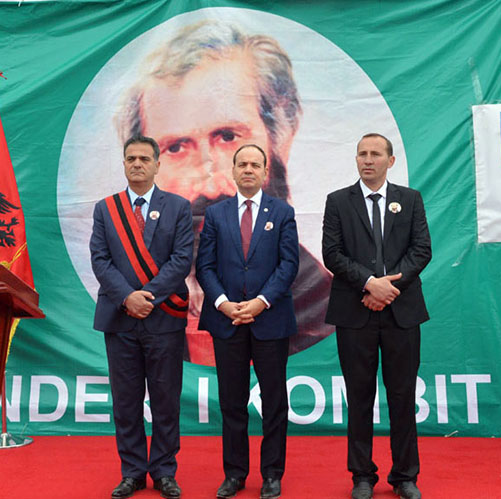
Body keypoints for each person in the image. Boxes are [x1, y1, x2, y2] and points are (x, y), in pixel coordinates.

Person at [115, 19, 333, 365]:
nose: (210, 181)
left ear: (279, 140)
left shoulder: (325, 307)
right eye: (176, 147)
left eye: (228, 137)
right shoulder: (138, 301)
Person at [322, 134, 431, 499]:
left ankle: (405, 476)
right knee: (359, 396)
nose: (368, 160)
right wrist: (370, 284)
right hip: (355, 312)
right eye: (362, 154)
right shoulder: (338, 201)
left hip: (402, 312)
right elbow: (332, 254)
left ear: (390, 161)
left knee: (402, 395)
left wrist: (388, 288)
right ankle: (362, 476)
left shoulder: (410, 200)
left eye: (375, 154)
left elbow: (421, 250)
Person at [90, 135, 193, 499]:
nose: (137, 164)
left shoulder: (178, 207)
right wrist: (127, 298)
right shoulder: (106, 209)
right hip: (120, 318)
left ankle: (164, 471)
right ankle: (132, 471)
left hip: (162, 317)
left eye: (144, 158)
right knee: (126, 401)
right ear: (123, 163)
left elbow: (182, 259)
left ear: (157, 165)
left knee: (166, 399)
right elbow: (100, 259)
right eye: (131, 158)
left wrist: (147, 296)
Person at [196, 144, 299, 499]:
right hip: (227, 321)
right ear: (234, 169)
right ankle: (235, 473)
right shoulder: (216, 214)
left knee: (274, 402)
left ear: (265, 171)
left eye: (256, 164)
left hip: (270, 319)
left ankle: (272, 474)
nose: (249, 170)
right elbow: (204, 266)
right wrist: (224, 304)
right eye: (243, 164)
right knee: (231, 401)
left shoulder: (282, 212)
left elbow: (288, 265)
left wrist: (259, 302)